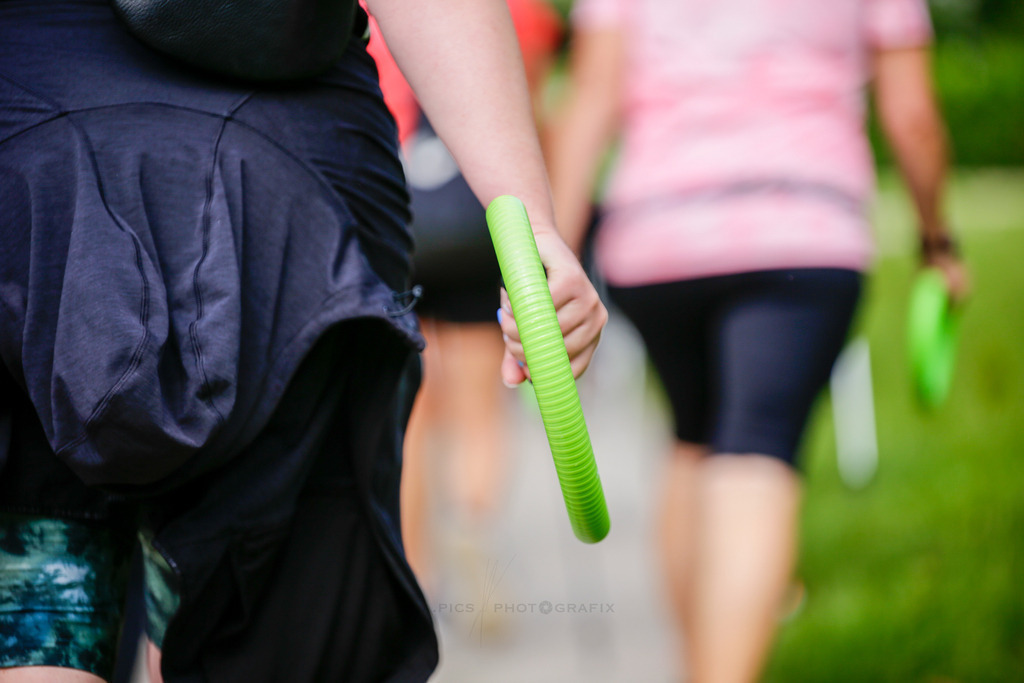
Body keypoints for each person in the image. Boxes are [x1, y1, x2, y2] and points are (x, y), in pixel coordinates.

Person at [0, 1, 607, 682]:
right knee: (259, 612)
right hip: (284, 201)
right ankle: (472, 516)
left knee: (40, 593)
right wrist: (531, 225)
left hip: (29, 168)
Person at [543, 0, 968, 681]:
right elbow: (912, 116)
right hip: (799, 228)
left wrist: (549, 253)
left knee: (694, 439)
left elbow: (591, 98)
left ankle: (698, 667)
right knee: (757, 446)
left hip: (658, 236)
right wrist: (938, 241)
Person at [365, 0, 565, 599]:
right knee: (483, 400)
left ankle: (419, 574)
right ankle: (475, 525)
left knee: (414, 407)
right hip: (476, 222)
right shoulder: (517, 10)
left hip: (397, 217)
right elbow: (524, 113)